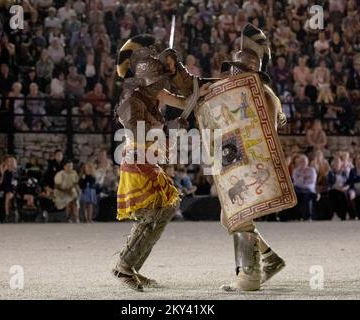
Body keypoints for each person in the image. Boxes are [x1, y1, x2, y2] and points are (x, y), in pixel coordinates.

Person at [160, 24, 290, 292]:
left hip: (252, 165)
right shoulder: (232, 91)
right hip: (237, 163)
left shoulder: (264, 96)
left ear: (251, 73)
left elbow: (262, 133)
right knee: (228, 218)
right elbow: (195, 87)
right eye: (233, 69)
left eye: (238, 70)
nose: (233, 73)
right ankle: (270, 259)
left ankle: (249, 276)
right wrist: (176, 67)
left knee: (239, 217)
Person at [112, 38, 208, 292]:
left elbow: (189, 100)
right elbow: (139, 134)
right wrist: (172, 129)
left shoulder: (157, 93)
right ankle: (125, 267)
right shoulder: (130, 100)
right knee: (152, 215)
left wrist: (176, 69)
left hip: (152, 161)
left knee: (162, 211)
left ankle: (127, 266)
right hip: (139, 163)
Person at [293, 154, 317, 221]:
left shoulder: (312, 170)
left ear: (307, 162)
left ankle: (308, 216)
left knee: (306, 196)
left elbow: (312, 181)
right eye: (301, 161)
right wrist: (303, 177)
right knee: (293, 196)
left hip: (308, 189)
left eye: (304, 161)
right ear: (299, 162)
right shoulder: (296, 171)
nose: (303, 163)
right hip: (298, 189)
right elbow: (296, 182)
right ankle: (297, 216)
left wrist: (302, 181)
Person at [0, 156, 19, 222]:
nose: (10, 163)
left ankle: (9, 214)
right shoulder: (6, 172)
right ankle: (7, 215)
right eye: (9, 161)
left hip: (15, 190)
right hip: (7, 189)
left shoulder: (17, 172)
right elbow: (3, 183)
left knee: (8, 195)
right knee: (8, 195)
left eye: (12, 161)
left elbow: (17, 183)